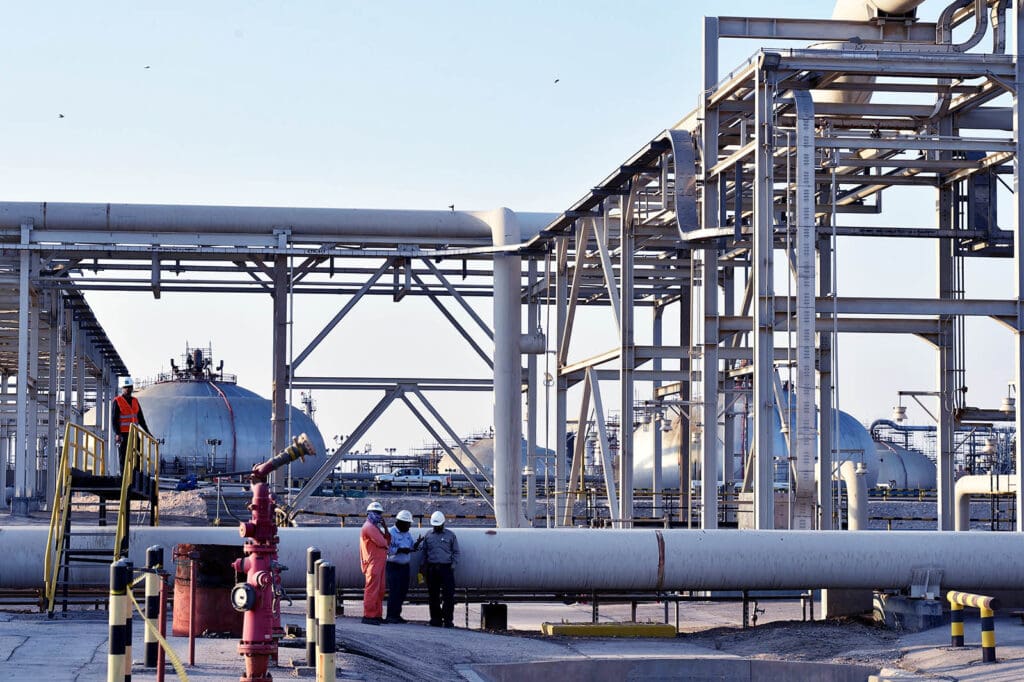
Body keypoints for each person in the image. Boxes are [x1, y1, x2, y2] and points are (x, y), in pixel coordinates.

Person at [417, 510, 459, 628]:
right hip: (432, 569)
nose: (436, 527)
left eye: (438, 525)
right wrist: (422, 568)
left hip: (446, 569)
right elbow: (424, 553)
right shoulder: (428, 535)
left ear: (443, 524)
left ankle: (448, 620)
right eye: (434, 526)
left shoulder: (450, 535)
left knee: (448, 596)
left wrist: (452, 566)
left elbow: (456, 552)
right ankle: (435, 620)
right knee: (433, 595)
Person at [359, 501, 391, 625]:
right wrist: (384, 531)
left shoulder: (375, 527)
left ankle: (376, 615)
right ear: (369, 513)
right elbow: (383, 543)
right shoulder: (369, 527)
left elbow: (387, 540)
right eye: (376, 513)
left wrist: (385, 528)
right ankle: (369, 615)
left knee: (380, 590)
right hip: (372, 563)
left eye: (379, 513)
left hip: (379, 562)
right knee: (372, 589)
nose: (378, 515)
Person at [111, 377, 149, 474]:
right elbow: (114, 419)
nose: (127, 389)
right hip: (123, 434)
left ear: (132, 388)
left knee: (137, 454)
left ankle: (136, 474)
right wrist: (117, 433)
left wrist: (148, 432)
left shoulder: (135, 401)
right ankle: (123, 476)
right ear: (122, 388)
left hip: (134, 432)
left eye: (129, 387)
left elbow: (141, 419)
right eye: (126, 387)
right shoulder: (117, 401)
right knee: (123, 456)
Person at [385, 509, 415, 624]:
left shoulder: (407, 534)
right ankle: (391, 615)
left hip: (404, 567)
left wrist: (415, 546)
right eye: (408, 524)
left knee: (402, 591)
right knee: (394, 591)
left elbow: (411, 546)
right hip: (393, 566)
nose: (409, 526)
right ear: (401, 522)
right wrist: (399, 550)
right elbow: (387, 550)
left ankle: (397, 614)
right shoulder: (390, 533)